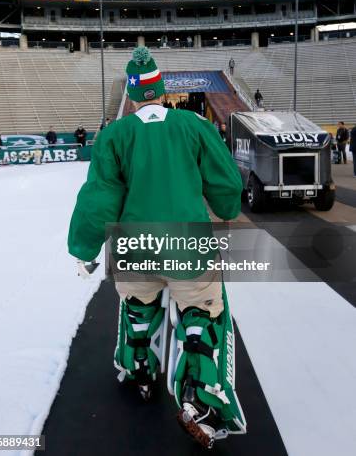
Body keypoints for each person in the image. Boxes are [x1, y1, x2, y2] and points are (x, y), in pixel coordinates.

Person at [68, 47, 246, 448]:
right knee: (202, 313)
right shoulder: (194, 125)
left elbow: (99, 199)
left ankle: (138, 370)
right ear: (162, 90)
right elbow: (226, 184)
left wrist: (84, 248)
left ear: (131, 94)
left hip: (134, 247)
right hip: (187, 244)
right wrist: (226, 208)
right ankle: (200, 400)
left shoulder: (114, 135)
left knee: (137, 311)